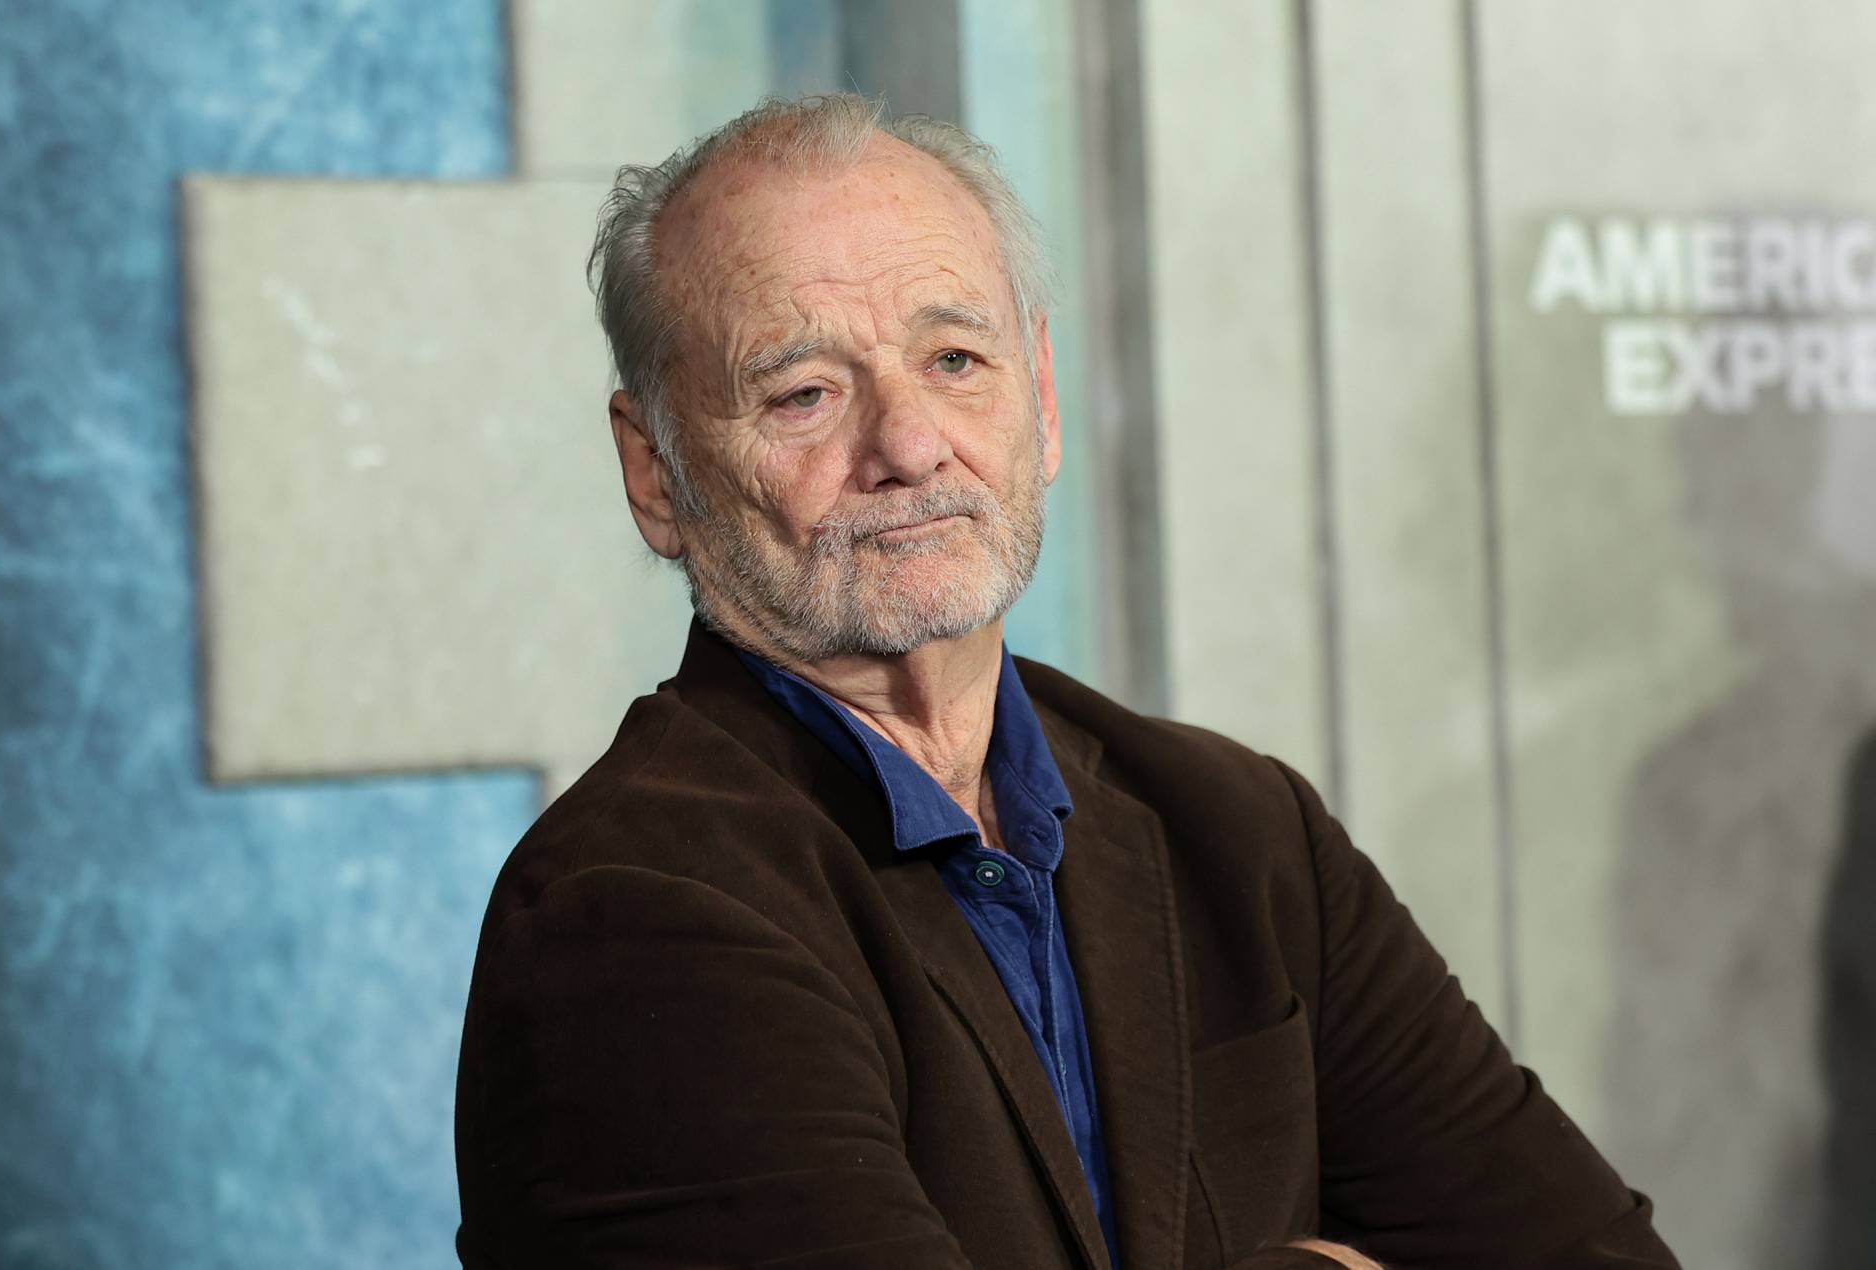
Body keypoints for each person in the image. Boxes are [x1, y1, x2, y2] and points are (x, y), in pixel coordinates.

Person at [453, 93, 1678, 1270]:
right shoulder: (630, 912)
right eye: (804, 394)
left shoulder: (1240, 831)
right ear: (654, 471)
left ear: (1038, 395)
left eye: (952, 358)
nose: (908, 445)